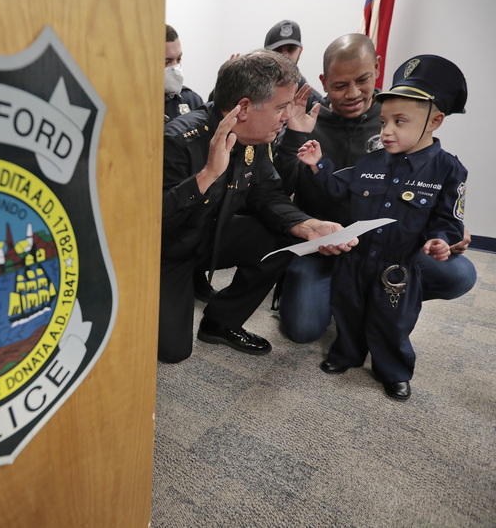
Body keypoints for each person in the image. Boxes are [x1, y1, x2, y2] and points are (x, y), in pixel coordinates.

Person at [273, 34, 476, 344]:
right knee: (303, 329)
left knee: (459, 274)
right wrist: (294, 138)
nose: (353, 94)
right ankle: (323, 289)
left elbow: (427, 181)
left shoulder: (400, 112)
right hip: (322, 244)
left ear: (378, 68)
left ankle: (384, 299)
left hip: (388, 247)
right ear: (324, 82)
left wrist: (445, 233)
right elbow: (281, 186)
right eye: (340, 85)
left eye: (363, 80)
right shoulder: (306, 117)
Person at [159, 49, 357, 364]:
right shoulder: (178, 141)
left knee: (285, 235)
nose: (285, 116)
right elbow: (152, 222)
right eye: (281, 107)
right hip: (166, 252)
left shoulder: (259, 137)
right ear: (245, 107)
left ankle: (221, 322)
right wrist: (207, 175)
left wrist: (307, 225)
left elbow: (268, 194)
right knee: (172, 352)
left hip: (210, 236)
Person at [296, 54, 469, 400]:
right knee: (349, 309)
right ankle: (346, 353)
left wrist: (440, 241)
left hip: (398, 264)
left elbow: (449, 219)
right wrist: (319, 166)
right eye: (384, 122)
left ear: (435, 121)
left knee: (393, 320)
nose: (387, 130)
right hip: (355, 259)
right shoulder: (372, 161)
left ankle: (393, 369)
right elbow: (342, 192)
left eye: (399, 122)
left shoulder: (448, 170)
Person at [264, 19, 321, 111]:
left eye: (291, 49)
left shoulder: (313, 102)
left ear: (300, 51)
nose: (285, 56)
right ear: (265, 54)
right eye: (277, 50)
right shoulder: (251, 94)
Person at [165, 24, 204, 124]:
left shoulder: (190, 99)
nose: (176, 68)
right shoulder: (132, 106)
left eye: (179, 59)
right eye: (166, 62)